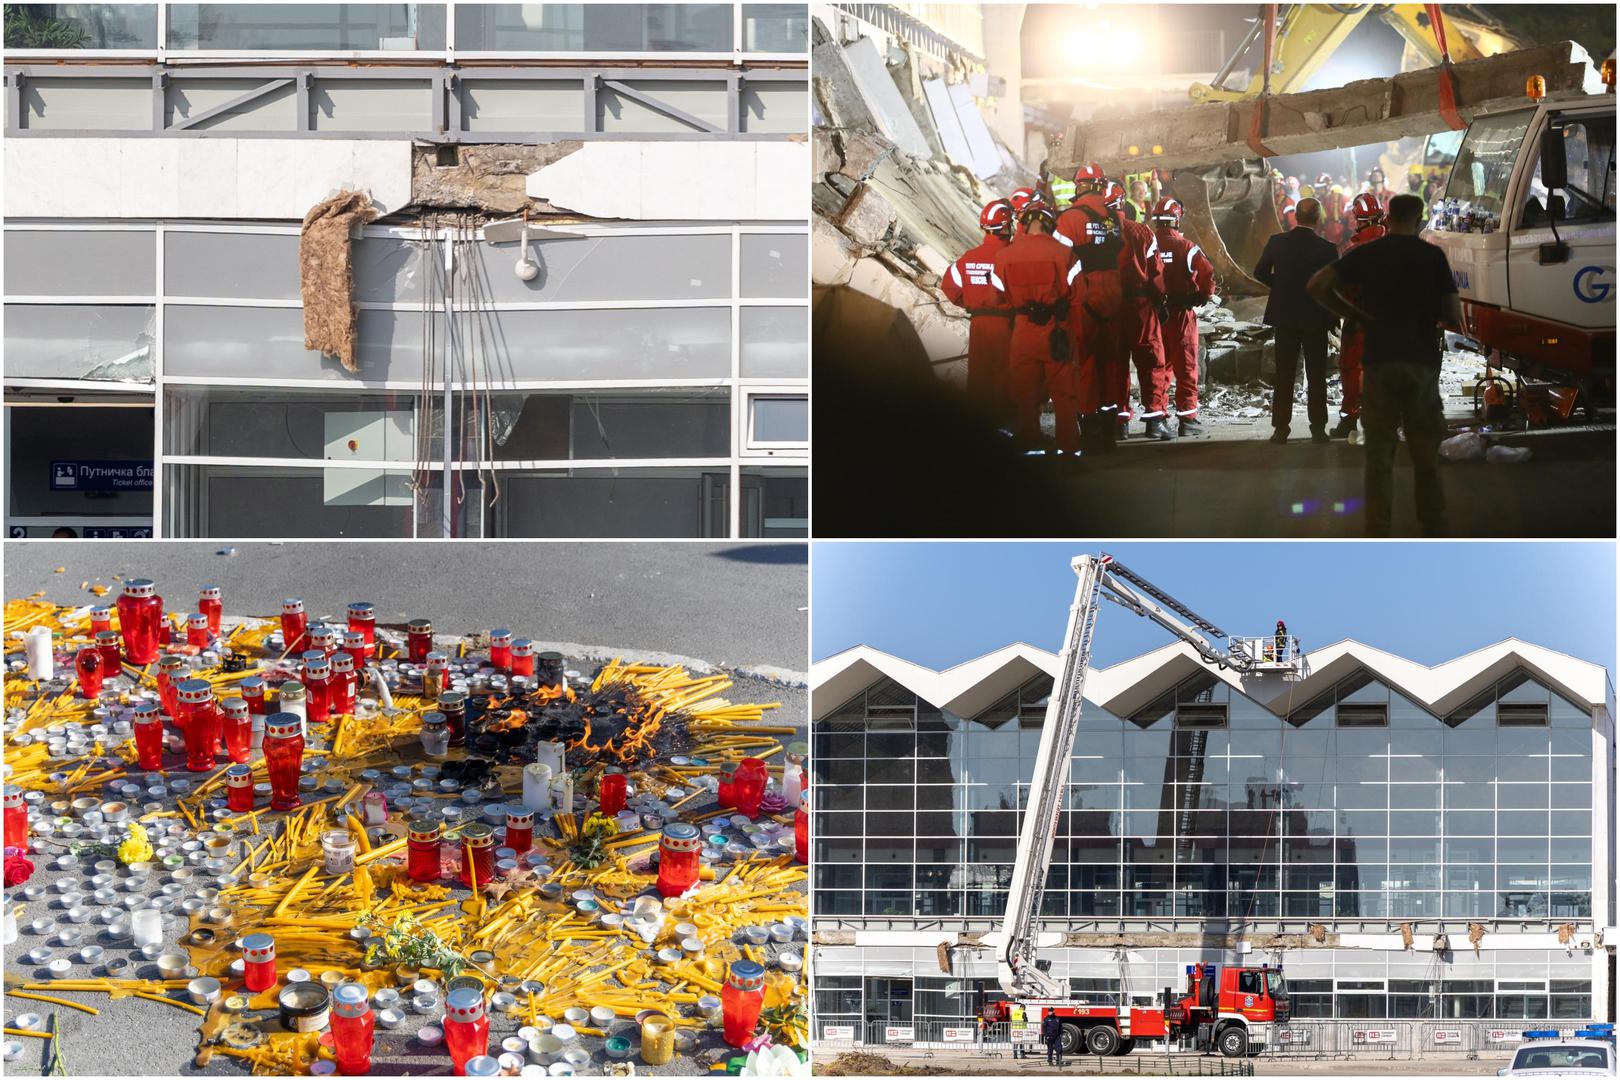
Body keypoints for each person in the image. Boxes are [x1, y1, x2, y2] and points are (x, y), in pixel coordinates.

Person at [1308, 193, 1460, 536]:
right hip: (1420, 363)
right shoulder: (1432, 255)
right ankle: (1434, 528)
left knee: (1378, 458)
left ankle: (1377, 530)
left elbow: (1316, 284)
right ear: (1419, 219)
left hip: (1379, 363)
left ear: (1388, 218)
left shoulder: (1367, 253)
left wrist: (1354, 316)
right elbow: (1452, 313)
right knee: (1425, 456)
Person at [992, 201, 1085, 457]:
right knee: (1064, 392)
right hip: (1056, 330)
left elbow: (998, 298)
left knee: (1025, 391)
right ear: (1050, 223)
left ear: (1024, 223)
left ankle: (1029, 441)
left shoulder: (1003, 257)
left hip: (1023, 331)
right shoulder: (1065, 254)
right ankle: (1069, 449)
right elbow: (1078, 295)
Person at [1253, 197, 1340, 443]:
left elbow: (1259, 272)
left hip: (1285, 318)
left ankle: (1281, 429)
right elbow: (1334, 286)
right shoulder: (1327, 248)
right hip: (1316, 318)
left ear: (1296, 217)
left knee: (1284, 375)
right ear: (1318, 218)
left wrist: (1280, 287)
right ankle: (1318, 429)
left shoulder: (1277, 242)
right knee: (1316, 375)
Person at [942, 199, 1017, 432]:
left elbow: (949, 286)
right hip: (1006, 323)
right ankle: (1005, 428)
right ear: (1006, 226)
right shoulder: (1012, 255)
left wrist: (970, 302)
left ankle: (979, 427)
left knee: (979, 375)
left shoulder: (968, 257)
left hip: (978, 322)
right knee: (1005, 373)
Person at [1149, 197, 1216, 436]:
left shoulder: (1146, 243)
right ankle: (1188, 420)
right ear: (1177, 219)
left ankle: (1156, 420)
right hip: (1180, 315)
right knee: (1186, 367)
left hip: (1153, 316)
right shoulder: (1187, 247)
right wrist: (1202, 296)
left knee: (1158, 367)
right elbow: (1207, 274)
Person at [1330, 192, 1388, 438]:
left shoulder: (1354, 251)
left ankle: (1350, 419)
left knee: (1351, 369)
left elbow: (1344, 291)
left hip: (1361, 322)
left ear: (1358, 218)